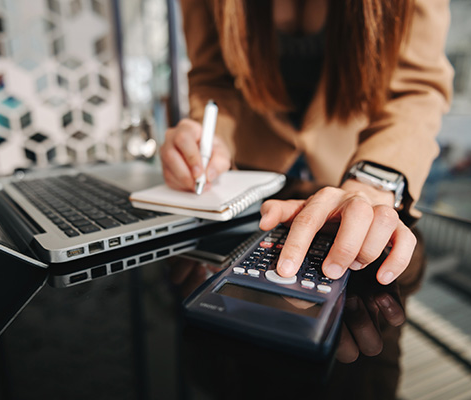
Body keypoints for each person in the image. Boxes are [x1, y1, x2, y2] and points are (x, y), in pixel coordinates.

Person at [160, 0, 453, 285]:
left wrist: (372, 181)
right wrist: (211, 139)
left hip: (351, 171)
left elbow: (417, 88)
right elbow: (212, 78)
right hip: (251, 178)